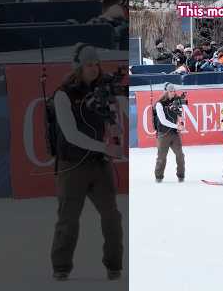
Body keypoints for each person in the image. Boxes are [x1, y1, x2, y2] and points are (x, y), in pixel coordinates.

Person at [51, 43, 126, 281]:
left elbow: (117, 113)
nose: (94, 69)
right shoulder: (63, 94)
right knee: (68, 220)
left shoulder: (104, 88)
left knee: (112, 217)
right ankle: (61, 267)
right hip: (72, 165)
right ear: (78, 67)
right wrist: (105, 147)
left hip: (99, 164)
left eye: (96, 64)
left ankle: (114, 265)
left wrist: (115, 135)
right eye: (88, 65)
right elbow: (71, 134)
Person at [153, 83, 185, 182]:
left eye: (174, 91)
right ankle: (158, 177)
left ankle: (181, 175)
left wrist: (180, 119)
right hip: (163, 134)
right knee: (162, 157)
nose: (173, 93)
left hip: (174, 133)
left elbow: (180, 114)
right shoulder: (159, 104)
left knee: (180, 155)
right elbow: (163, 121)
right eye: (171, 91)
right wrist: (177, 126)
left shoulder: (177, 101)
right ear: (166, 92)